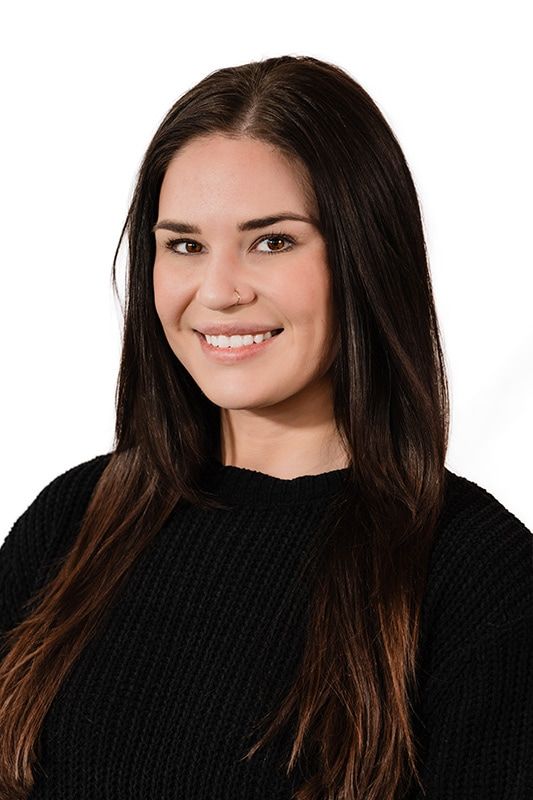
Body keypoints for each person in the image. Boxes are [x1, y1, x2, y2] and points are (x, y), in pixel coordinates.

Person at [0, 54, 531, 800]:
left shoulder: (475, 573)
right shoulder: (75, 520)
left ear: (363, 255)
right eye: (184, 245)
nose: (217, 291)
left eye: (271, 241)